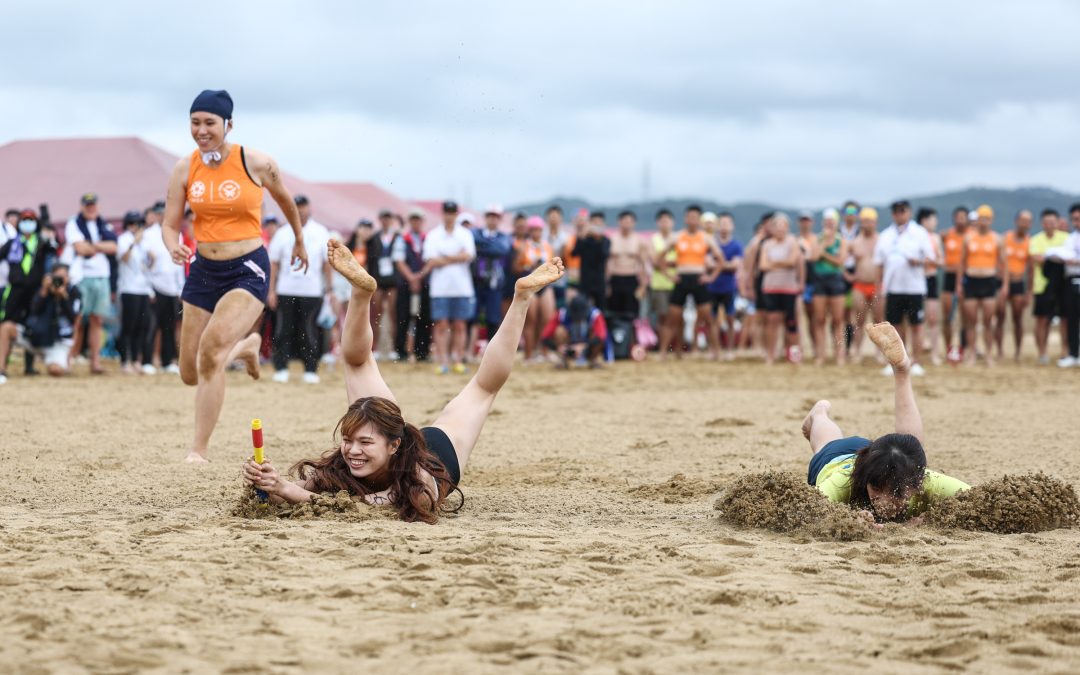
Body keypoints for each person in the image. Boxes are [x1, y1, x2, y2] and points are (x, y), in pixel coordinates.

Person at [242, 241, 565, 522]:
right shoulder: (348, 458)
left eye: (364, 443)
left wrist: (286, 490)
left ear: (393, 446)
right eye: (349, 439)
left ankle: (521, 297)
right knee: (356, 361)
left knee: (484, 388)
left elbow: (363, 507)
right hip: (390, 432)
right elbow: (294, 492)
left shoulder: (420, 485)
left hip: (440, 451)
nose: (353, 450)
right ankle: (361, 293)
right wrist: (271, 481)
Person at [162, 89, 309, 463]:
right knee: (190, 373)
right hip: (203, 270)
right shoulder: (185, 167)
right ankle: (245, 348)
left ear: (228, 124)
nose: (201, 130)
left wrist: (298, 240)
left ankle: (199, 449)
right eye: (195, 122)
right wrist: (172, 244)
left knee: (210, 353)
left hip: (247, 268)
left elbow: (286, 201)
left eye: (209, 122)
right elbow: (169, 223)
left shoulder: (255, 162)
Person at [801, 322, 969, 524]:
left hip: (886, 454)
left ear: (917, 486)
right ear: (866, 481)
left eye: (896, 494)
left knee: (910, 450)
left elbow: (980, 500)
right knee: (824, 443)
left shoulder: (927, 482)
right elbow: (807, 511)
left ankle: (902, 372)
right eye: (876, 489)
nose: (884, 502)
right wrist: (849, 519)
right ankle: (819, 413)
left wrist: (931, 518)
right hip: (836, 461)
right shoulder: (840, 484)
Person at [269, 195, 332, 384]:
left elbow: (326, 263)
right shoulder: (282, 233)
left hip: (311, 289)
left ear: (309, 208)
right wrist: (271, 290)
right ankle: (281, 367)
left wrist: (329, 290)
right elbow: (274, 263)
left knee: (309, 329)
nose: (300, 210)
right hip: (286, 288)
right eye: (297, 206)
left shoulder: (320, 232)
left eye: (303, 206)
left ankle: (310, 368)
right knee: (283, 329)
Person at [873, 200, 934, 375]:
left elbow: (932, 259)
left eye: (903, 211)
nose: (900, 214)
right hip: (893, 288)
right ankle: (898, 362)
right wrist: (879, 287)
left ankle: (916, 361)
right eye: (896, 211)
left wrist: (919, 262)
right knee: (895, 327)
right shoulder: (886, 235)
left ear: (909, 212)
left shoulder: (920, 233)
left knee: (916, 326)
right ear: (893, 214)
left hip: (914, 288)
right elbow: (879, 264)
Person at [657, 205, 724, 359]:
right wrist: (669, 275)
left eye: (695, 217)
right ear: (685, 219)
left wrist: (711, 277)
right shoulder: (677, 237)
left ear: (699, 220)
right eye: (690, 217)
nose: (692, 220)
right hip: (681, 278)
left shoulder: (706, 238)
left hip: (699, 278)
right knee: (672, 318)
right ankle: (664, 352)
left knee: (708, 318)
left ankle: (716, 352)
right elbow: (659, 258)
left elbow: (720, 260)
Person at [0, 209, 57, 384]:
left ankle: (29, 365)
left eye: (31, 220)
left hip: (35, 291)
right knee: (6, 324)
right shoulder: (12, 243)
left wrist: (48, 230)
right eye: (24, 220)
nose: (27, 223)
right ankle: (2, 366)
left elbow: (55, 249)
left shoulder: (41, 242)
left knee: (32, 323)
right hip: (15, 290)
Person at [64, 192, 117, 374]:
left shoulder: (104, 224)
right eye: (87, 205)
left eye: (93, 204)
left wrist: (92, 245)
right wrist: (101, 246)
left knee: (97, 319)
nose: (91, 208)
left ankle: (95, 362)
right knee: (76, 319)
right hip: (81, 277)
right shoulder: (73, 223)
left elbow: (114, 247)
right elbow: (80, 248)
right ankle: (68, 360)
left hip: (102, 277)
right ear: (82, 207)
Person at [424, 202, 476, 375]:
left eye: (452, 213)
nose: (449, 216)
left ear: (456, 214)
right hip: (440, 288)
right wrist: (457, 257)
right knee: (441, 325)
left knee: (460, 325)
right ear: (443, 214)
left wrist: (444, 258)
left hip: (461, 287)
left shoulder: (465, 233)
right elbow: (431, 260)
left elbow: (468, 255)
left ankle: (458, 360)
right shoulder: (433, 235)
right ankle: (443, 361)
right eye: (447, 212)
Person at [958, 205, 1004, 367]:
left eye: (987, 219)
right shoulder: (969, 238)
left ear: (991, 220)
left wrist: (1004, 285)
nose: (983, 222)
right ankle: (971, 352)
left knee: (988, 321)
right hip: (971, 281)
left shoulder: (997, 239)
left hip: (989, 281)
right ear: (977, 220)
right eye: (981, 219)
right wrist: (959, 284)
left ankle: (988, 355)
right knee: (971, 322)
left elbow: (1003, 264)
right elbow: (962, 263)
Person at [142, 201, 185, 374]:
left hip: (171, 287)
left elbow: (179, 264)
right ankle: (148, 360)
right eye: (159, 213)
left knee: (169, 326)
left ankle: (168, 361)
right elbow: (144, 265)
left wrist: (180, 288)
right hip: (154, 286)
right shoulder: (148, 235)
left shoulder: (177, 235)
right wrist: (148, 289)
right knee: (151, 326)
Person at [759, 213, 804, 364]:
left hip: (789, 288)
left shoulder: (793, 242)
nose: (779, 230)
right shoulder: (766, 244)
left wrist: (773, 264)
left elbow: (792, 262)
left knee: (791, 323)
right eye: (776, 226)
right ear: (771, 229)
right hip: (771, 287)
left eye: (782, 226)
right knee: (772, 321)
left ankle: (794, 356)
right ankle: (770, 355)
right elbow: (763, 265)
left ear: (787, 228)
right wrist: (780, 264)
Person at [116, 210, 156, 375]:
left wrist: (151, 255)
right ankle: (125, 360)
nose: (135, 227)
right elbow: (123, 258)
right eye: (133, 224)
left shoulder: (144, 242)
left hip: (143, 288)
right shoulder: (124, 239)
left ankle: (135, 360)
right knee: (128, 326)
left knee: (141, 326)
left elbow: (149, 265)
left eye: (139, 224)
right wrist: (133, 243)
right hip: (128, 289)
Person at [24, 263, 81, 377]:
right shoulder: (44, 289)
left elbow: (75, 320)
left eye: (63, 276)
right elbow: (33, 311)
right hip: (38, 338)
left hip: (58, 342)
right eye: (57, 277)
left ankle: (54, 360)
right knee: (7, 328)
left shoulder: (73, 292)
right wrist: (44, 291)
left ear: (68, 278)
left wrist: (63, 297)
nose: (59, 280)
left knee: (55, 371)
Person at [1029, 208, 1069, 364]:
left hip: (1063, 285)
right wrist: (1058, 257)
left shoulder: (1067, 238)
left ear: (1058, 222)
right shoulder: (1035, 239)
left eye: (1053, 222)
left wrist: (1048, 257)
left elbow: (1071, 257)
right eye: (1047, 222)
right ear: (1042, 224)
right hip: (1042, 285)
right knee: (1042, 319)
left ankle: (1065, 350)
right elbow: (1036, 259)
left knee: (1065, 318)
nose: (1050, 224)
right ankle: (1042, 352)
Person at [392, 208, 432, 363]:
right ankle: (401, 351)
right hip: (405, 284)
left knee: (424, 318)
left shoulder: (428, 238)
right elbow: (399, 261)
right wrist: (412, 278)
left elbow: (431, 260)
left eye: (418, 220)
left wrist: (419, 277)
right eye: (413, 220)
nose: (416, 223)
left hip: (424, 283)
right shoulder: (403, 238)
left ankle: (422, 351)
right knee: (403, 317)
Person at [810, 209, 849, 365]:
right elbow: (813, 257)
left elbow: (840, 261)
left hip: (835, 279)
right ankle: (821, 354)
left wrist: (823, 253)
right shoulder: (818, 239)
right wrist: (825, 244)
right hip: (819, 279)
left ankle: (839, 354)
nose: (829, 224)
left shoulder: (842, 240)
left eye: (832, 222)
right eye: (826, 221)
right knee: (819, 319)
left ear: (836, 223)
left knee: (838, 320)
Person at [515, 216, 556, 361]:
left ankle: (543, 351)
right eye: (533, 230)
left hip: (544, 284)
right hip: (531, 284)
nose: (536, 233)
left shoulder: (547, 246)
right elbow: (516, 268)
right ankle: (529, 354)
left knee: (547, 319)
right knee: (530, 321)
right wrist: (529, 266)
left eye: (538, 230)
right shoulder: (523, 246)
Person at [472, 204, 513, 344]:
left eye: (495, 217)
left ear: (499, 219)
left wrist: (481, 247)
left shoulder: (504, 237)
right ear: (485, 217)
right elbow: (473, 244)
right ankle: (469, 351)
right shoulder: (475, 233)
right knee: (473, 318)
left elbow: (502, 249)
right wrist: (490, 246)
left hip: (495, 283)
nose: (492, 220)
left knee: (493, 319)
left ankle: (491, 351)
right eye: (490, 216)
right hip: (476, 281)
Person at [997, 210, 1032, 362]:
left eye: (1028, 221)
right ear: (1016, 221)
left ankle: (1018, 352)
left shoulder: (1029, 242)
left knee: (1018, 318)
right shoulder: (1005, 238)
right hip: (1001, 282)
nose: (1025, 223)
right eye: (1022, 220)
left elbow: (1030, 270)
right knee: (1000, 316)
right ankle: (999, 351)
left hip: (1018, 282)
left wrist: (1029, 291)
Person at [848, 207, 881, 362]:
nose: (866, 225)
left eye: (869, 222)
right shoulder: (855, 242)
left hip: (876, 286)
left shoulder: (881, 240)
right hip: (860, 286)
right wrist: (848, 276)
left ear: (875, 223)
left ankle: (879, 352)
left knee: (879, 322)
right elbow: (842, 260)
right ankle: (857, 352)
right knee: (859, 320)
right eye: (863, 222)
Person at [708, 212, 743, 360]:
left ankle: (729, 349)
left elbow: (736, 265)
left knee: (730, 319)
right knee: (712, 320)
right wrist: (725, 265)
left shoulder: (736, 245)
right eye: (721, 223)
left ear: (732, 226)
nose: (724, 227)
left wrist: (718, 265)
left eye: (727, 224)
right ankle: (714, 350)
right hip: (712, 287)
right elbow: (707, 263)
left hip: (729, 287)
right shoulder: (710, 243)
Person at [541, 294, 608, 369]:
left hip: (589, 347)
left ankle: (593, 360)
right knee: (559, 331)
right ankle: (563, 361)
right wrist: (558, 348)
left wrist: (583, 346)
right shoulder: (562, 314)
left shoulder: (595, 315)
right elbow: (544, 337)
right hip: (569, 345)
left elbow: (602, 336)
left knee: (597, 335)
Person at [1051, 204, 1080, 368]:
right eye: (1074, 219)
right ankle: (1073, 354)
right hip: (1071, 280)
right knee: (1071, 318)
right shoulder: (1069, 239)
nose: (1077, 222)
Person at [940, 207, 969, 363]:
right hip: (949, 276)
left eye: (963, 217)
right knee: (947, 316)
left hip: (966, 277)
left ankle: (964, 348)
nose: (960, 220)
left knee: (965, 317)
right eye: (958, 217)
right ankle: (949, 348)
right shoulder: (946, 235)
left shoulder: (971, 236)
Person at [606, 210, 649, 317]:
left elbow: (644, 265)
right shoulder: (611, 240)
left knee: (632, 313)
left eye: (629, 222)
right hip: (615, 278)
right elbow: (606, 263)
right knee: (613, 312)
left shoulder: (640, 241)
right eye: (624, 221)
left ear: (634, 223)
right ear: (619, 222)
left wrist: (643, 286)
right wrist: (606, 284)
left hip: (632, 279)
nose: (627, 224)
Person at [372, 209, 401, 360]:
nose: (386, 221)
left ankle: (392, 348)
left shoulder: (397, 237)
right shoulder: (374, 237)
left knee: (392, 315)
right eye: (383, 218)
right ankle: (376, 347)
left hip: (392, 281)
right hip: (378, 280)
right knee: (377, 315)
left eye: (388, 218)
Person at [917, 207, 943, 365]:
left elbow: (941, 260)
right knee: (915, 319)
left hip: (931, 279)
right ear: (924, 220)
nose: (935, 222)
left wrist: (931, 261)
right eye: (933, 219)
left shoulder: (936, 238)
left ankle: (934, 353)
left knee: (933, 317)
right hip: (915, 280)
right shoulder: (914, 237)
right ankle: (916, 351)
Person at [572, 211, 611, 312]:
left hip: (600, 281)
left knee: (601, 310)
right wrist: (582, 236)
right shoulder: (584, 238)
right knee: (583, 308)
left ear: (603, 225)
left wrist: (598, 239)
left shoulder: (605, 240)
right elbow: (575, 253)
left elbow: (604, 255)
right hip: (585, 281)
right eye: (594, 223)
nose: (597, 226)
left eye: (599, 223)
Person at [649, 209, 678, 338]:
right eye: (662, 221)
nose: (665, 224)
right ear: (658, 223)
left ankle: (675, 347)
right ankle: (663, 346)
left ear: (673, 222)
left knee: (676, 317)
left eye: (668, 221)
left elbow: (682, 261)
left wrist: (663, 261)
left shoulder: (678, 238)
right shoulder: (653, 240)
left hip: (677, 283)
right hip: (659, 284)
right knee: (662, 316)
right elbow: (654, 262)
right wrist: (669, 271)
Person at [544, 205, 570, 308]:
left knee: (560, 307)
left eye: (556, 216)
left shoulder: (566, 238)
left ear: (561, 219)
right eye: (551, 216)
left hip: (560, 279)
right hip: (544, 279)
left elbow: (567, 260)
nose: (553, 219)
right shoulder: (541, 236)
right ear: (547, 218)